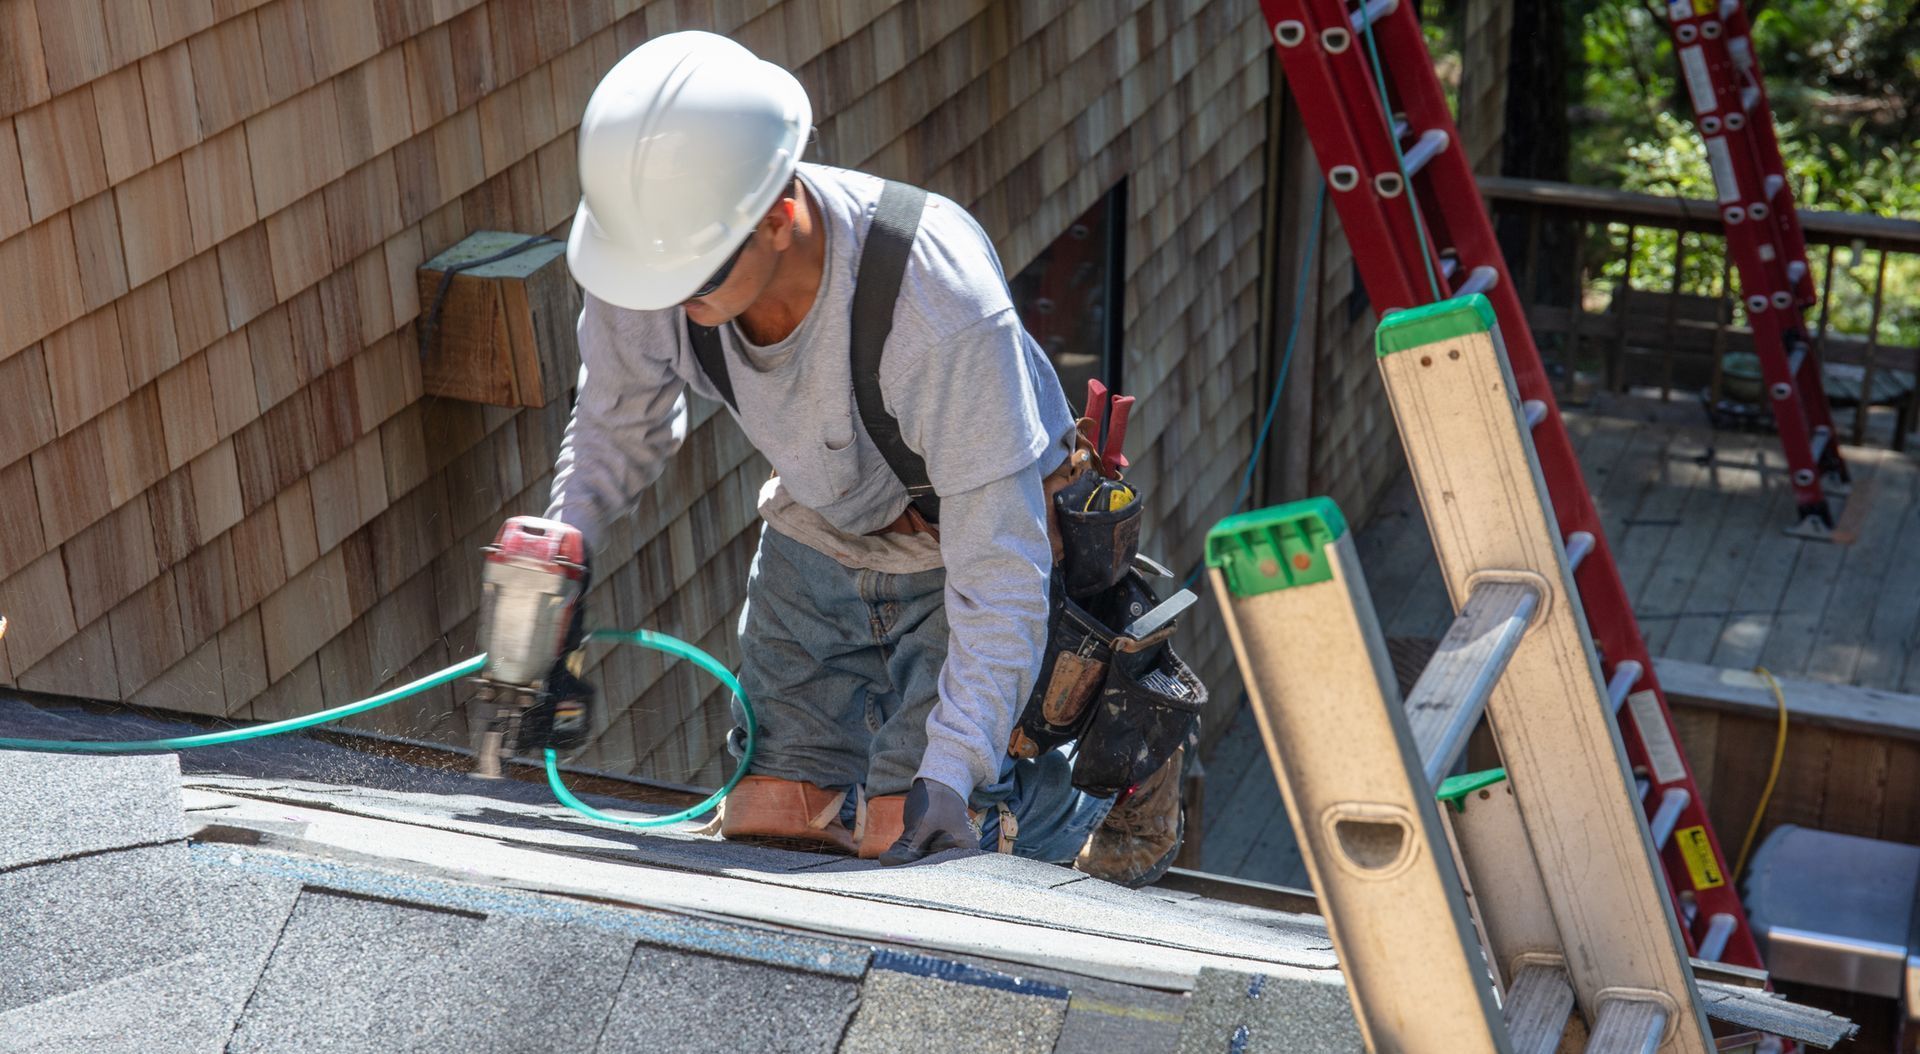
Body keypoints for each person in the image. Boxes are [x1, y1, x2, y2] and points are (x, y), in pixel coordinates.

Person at [538, 30, 1183, 885]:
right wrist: (562, 540)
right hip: (823, 523)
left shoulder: (937, 303)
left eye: (690, 283)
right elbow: (619, 421)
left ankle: (1106, 785)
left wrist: (952, 773)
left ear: (777, 212)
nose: (664, 305)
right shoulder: (653, 256)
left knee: (920, 840)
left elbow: (1000, 567)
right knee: (774, 819)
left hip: (971, 543)